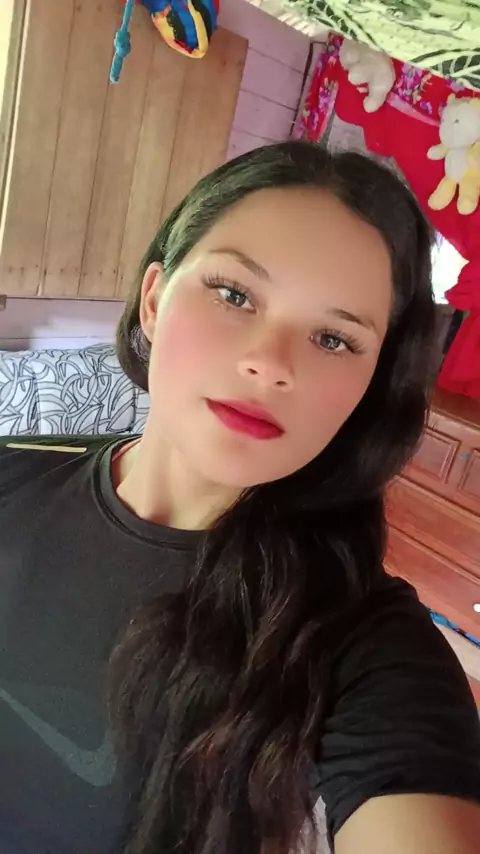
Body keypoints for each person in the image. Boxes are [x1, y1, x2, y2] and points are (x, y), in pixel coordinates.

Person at [0, 141, 479, 854]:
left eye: (334, 338)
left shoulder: (365, 648)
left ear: (370, 387)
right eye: (234, 294)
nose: (269, 363)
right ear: (155, 300)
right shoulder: (13, 472)